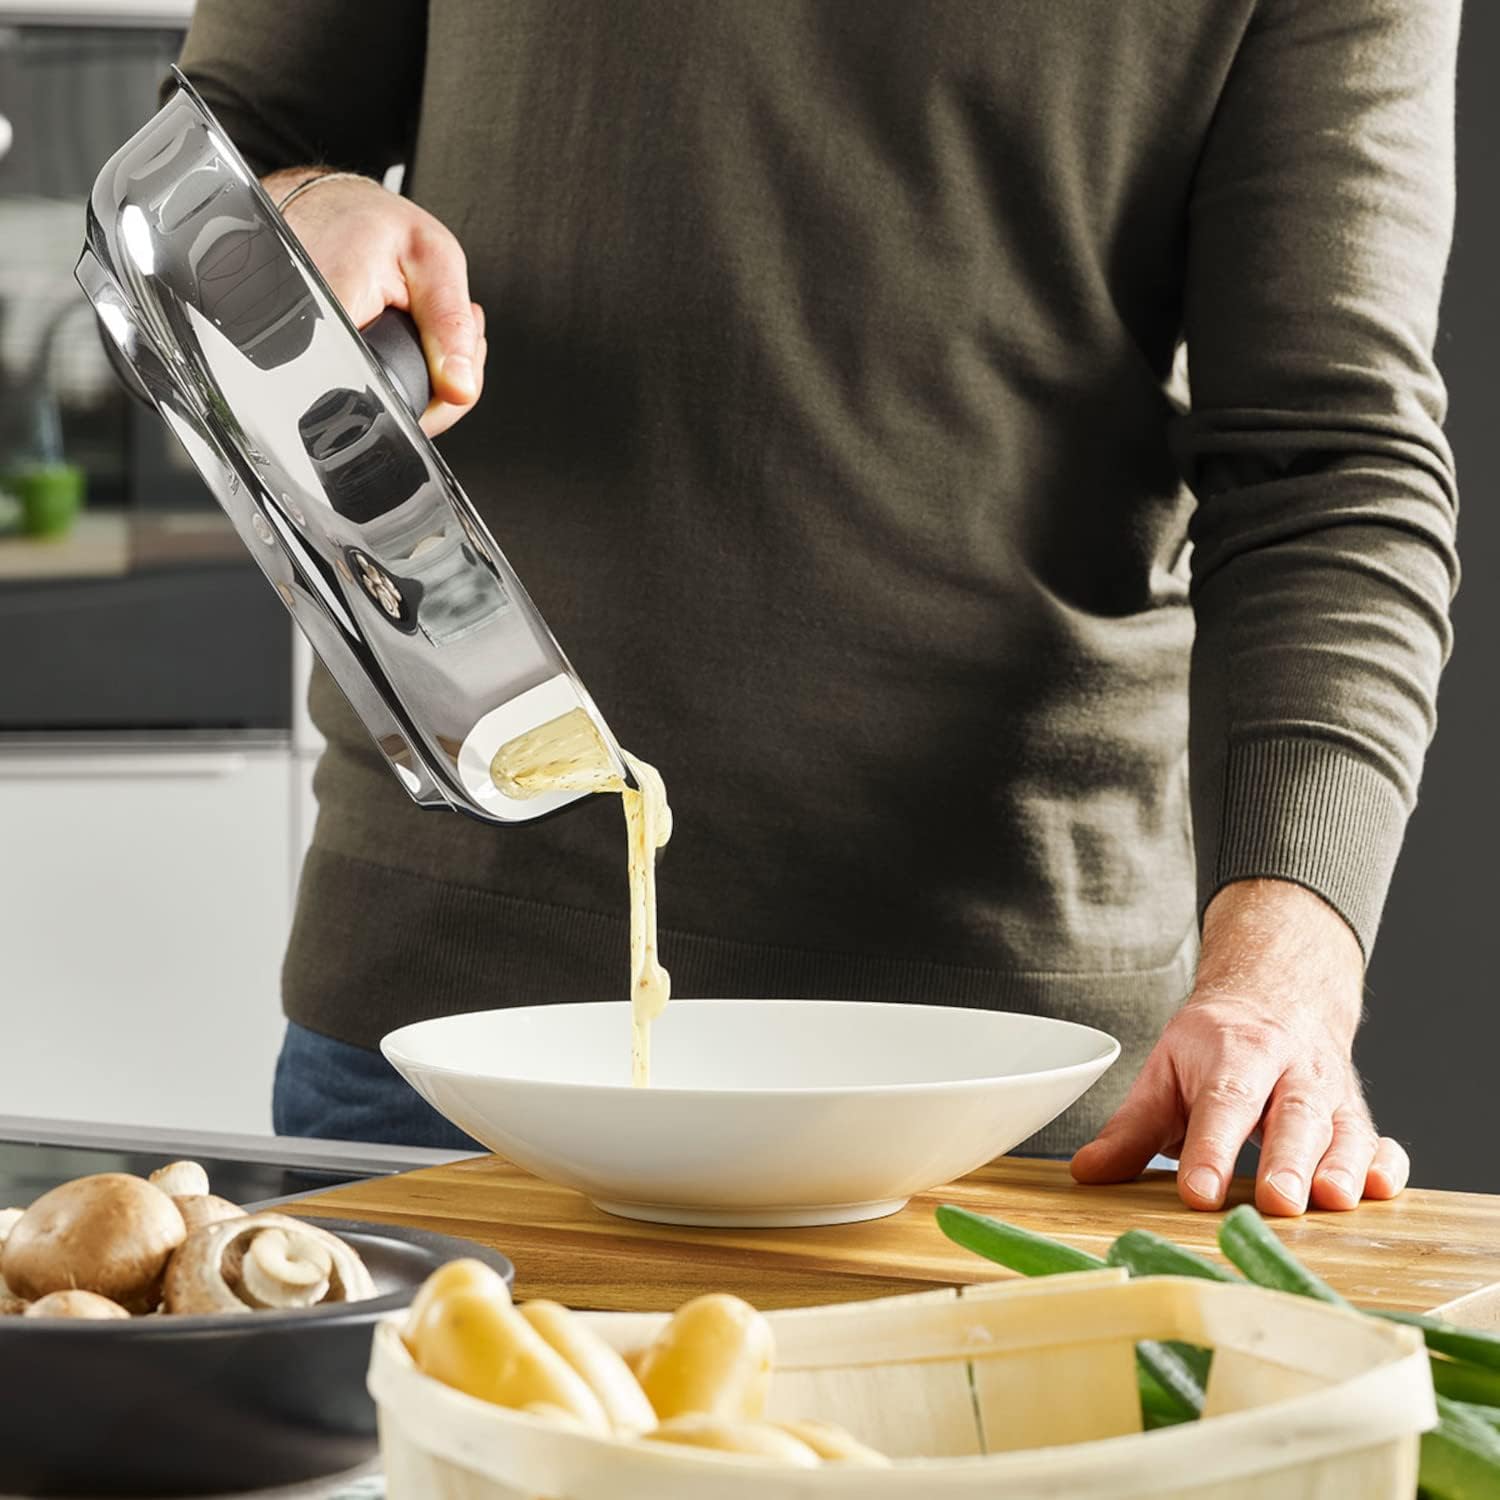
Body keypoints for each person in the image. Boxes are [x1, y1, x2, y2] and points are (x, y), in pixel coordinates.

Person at [176, 0, 1460, 1216]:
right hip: (459, 1023)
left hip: (1017, 1072)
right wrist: (292, 212)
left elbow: (1327, 464)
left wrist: (1284, 967)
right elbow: (209, 165)